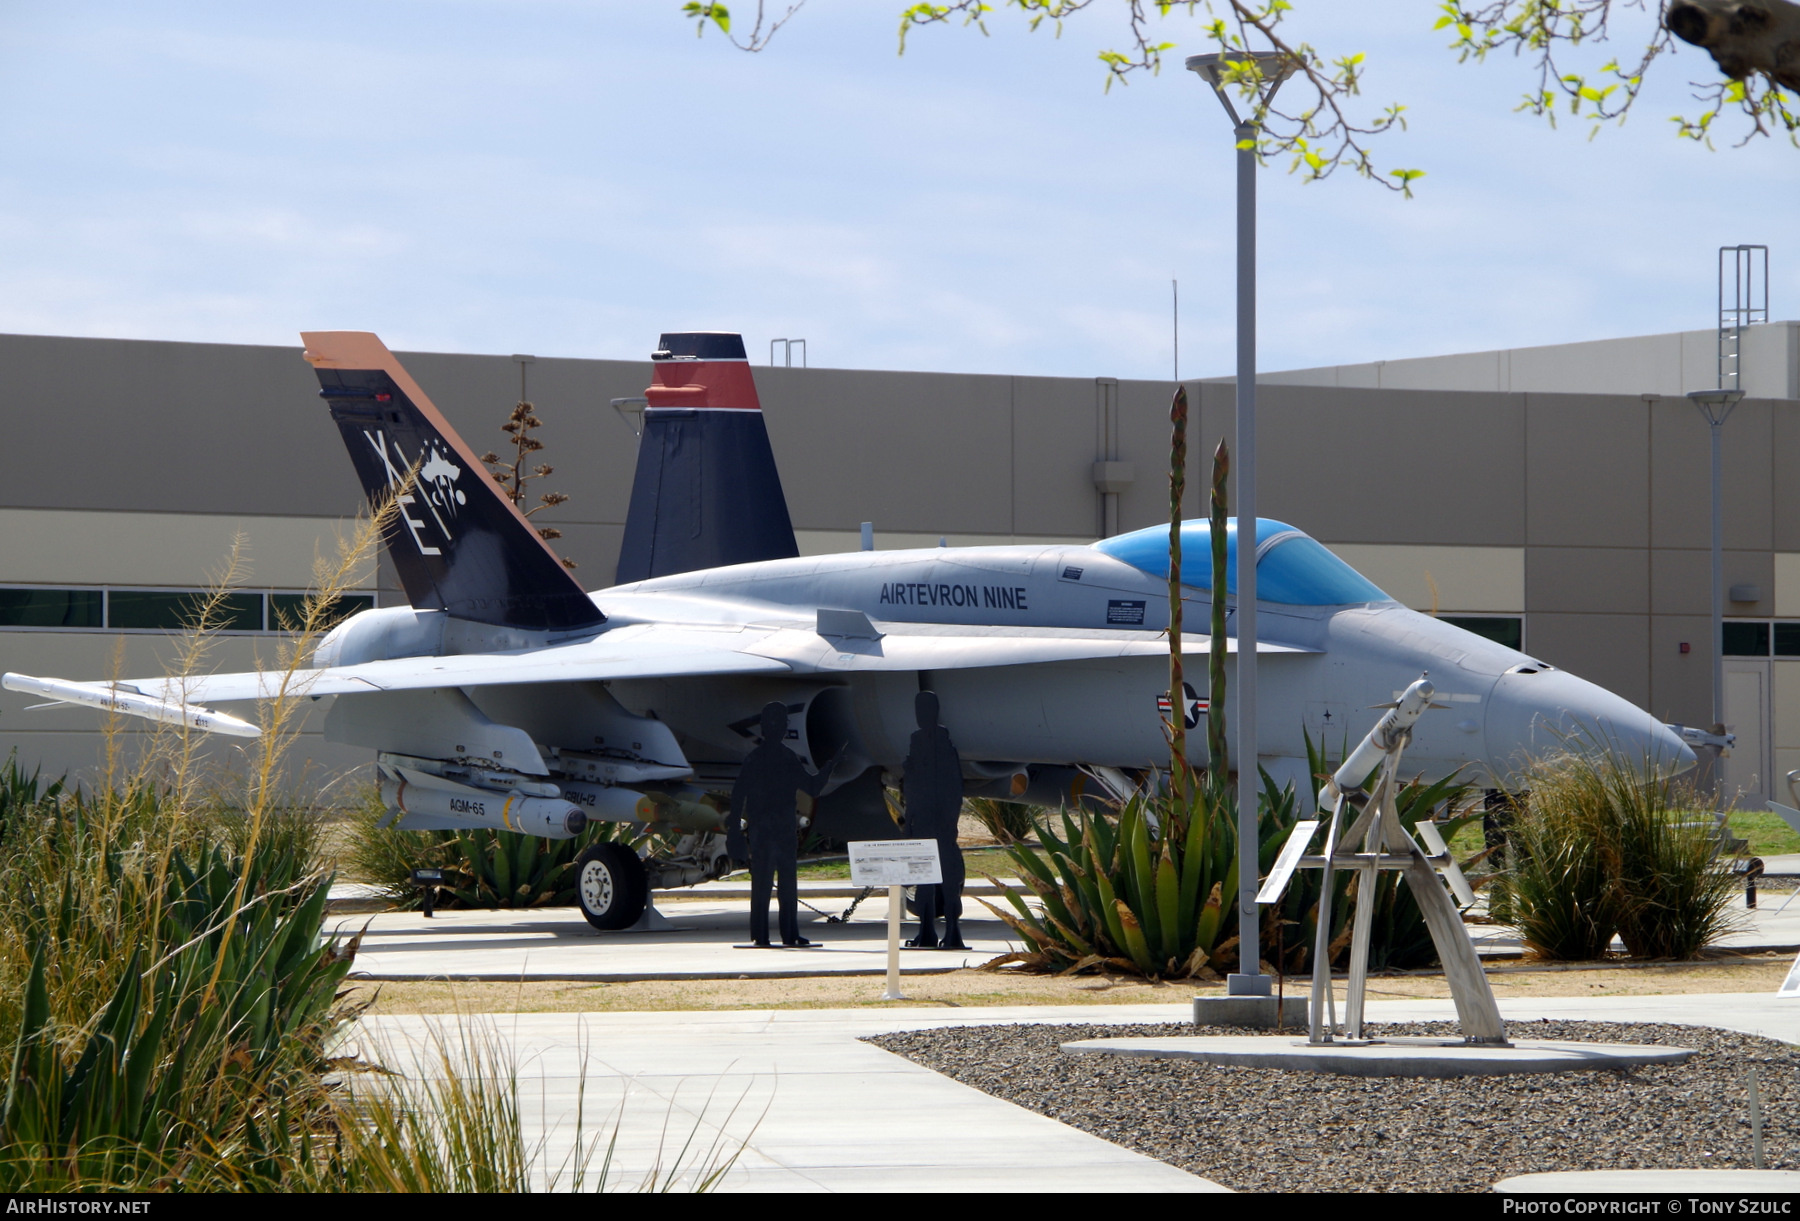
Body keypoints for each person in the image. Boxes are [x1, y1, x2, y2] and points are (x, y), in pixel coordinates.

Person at [726, 701, 838, 947]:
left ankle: (764, 935)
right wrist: (827, 770)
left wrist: (735, 828)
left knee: (765, 884)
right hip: (777, 829)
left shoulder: (756, 758)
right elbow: (812, 787)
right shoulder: (784, 757)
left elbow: (737, 796)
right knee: (784, 884)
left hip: (766, 830)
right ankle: (786, 934)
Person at [902, 689, 967, 950]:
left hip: (940, 820)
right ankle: (925, 930)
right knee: (924, 878)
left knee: (948, 877)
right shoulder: (916, 741)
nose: (921, 716)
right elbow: (913, 788)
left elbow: (954, 788)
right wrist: (911, 821)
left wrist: (948, 821)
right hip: (924, 819)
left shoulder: (943, 743)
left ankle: (952, 929)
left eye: (925, 711)